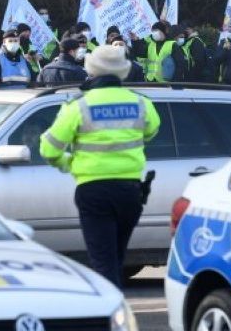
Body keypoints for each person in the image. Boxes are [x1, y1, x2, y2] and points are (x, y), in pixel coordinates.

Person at [39, 45, 160, 288]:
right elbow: (152, 130)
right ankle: (118, 316)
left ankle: (111, 318)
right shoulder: (140, 103)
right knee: (116, 257)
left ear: (92, 71)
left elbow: (48, 149)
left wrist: (68, 164)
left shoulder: (79, 106)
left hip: (93, 191)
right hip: (130, 192)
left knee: (103, 263)